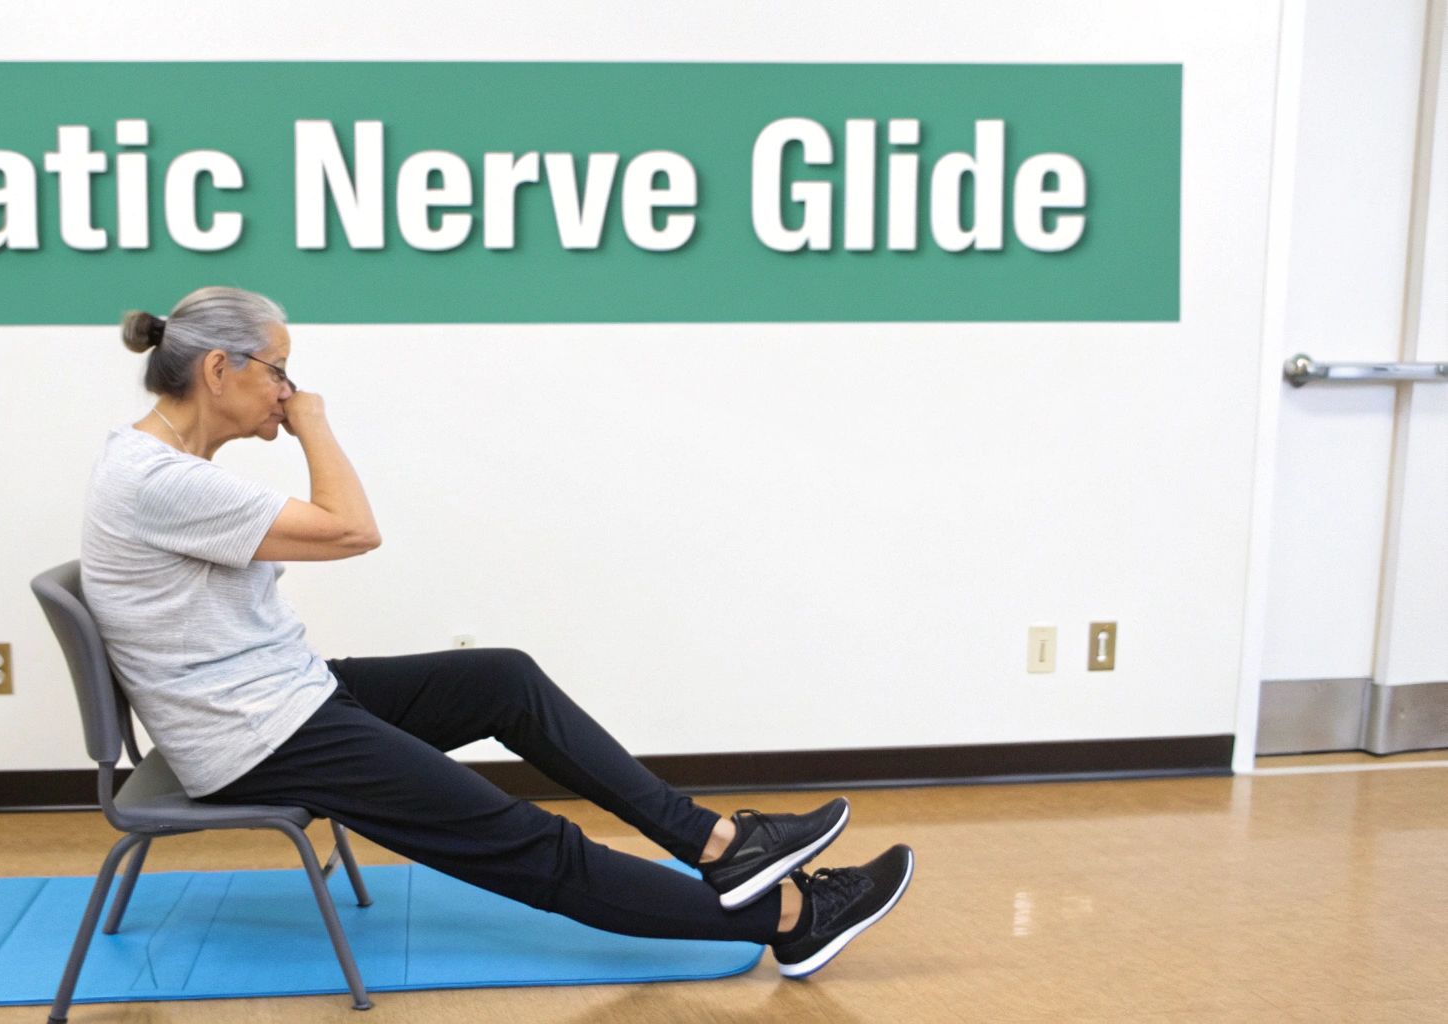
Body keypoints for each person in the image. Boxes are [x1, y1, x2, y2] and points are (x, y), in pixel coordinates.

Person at [78, 284, 914, 979]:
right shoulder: (159, 482)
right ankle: (794, 916)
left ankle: (717, 840)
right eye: (279, 371)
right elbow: (354, 529)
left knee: (501, 678)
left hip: (281, 695)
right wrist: (317, 426)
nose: (289, 392)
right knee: (525, 838)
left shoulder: (170, 472)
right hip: (254, 734)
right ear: (219, 369)